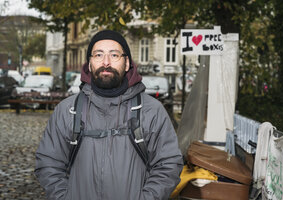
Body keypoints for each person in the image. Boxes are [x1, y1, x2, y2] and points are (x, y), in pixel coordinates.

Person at [35, 30, 183, 200]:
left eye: (114, 55)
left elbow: (168, 165)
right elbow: (48, 162)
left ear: (127, 63)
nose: (106, 62)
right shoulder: (67, 110)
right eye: (98, 55)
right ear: (90, 63)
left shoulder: (152, 110)